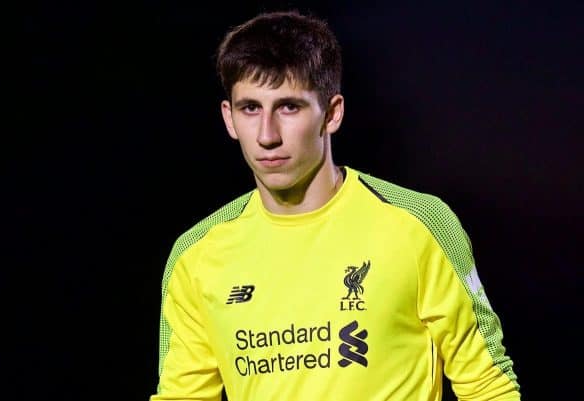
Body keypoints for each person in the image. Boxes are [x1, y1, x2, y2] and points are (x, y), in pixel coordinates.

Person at [149, 9, 521, 401]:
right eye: (250, 108)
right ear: (229, 118)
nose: (267, 135)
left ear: (331, 113)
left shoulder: (418, 225)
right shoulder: (196, 255)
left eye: (289, 107)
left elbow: (488, 386)